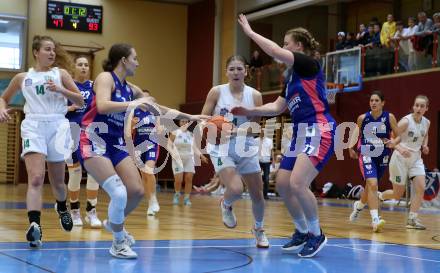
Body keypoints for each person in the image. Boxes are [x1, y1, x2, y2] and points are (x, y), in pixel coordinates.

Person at [80, 43, 204, 259]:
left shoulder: (131, 89)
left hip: (116, 141)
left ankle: (114, 223)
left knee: (136, 191)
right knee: (118, 193)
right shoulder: (105, 79)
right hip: (94, 138)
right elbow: (101, 105)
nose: (138, 62)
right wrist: (135, 104)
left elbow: (159, 108)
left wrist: (190, 117)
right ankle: (118, 242)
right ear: (123, 60)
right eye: (135, 58)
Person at [235, 14, 335, 258]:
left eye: (287, 42)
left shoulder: (308, 64)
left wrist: (249, 34)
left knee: (298, 183)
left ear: (298, 47)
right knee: (282, 183)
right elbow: (277, 108)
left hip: (318, 127)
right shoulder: (290, 79)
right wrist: (250, 111)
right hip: (301, 131)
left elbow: (275, 51)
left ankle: (316, 233)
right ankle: (301, 230)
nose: (283, 46)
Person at [0, 35, 84, 248]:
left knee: (57, 181)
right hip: (34, 126)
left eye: (53, 49)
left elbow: (81, 100)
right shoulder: (22, 77)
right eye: (47, 49)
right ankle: (35, 227)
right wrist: (1, 108)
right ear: (36, 52)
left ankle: (62, 207)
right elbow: (4, 97)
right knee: (36, 178)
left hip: (57, 125)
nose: (52, 53)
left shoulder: (61, 74)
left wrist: (61, 90)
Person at [201, 55, 269, 249]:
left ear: (246, 71)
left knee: (257, 194)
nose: (236, 72)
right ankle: (226, 203)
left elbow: (255, 128)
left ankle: (259, 229)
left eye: (239, 68)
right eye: (232, 69)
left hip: (245, 144)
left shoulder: (255, 95)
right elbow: (204, 118)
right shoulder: (216, 92)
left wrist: (235, 130)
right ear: (226, 72)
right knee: (237, 189)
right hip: (221, 146)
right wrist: (213, 128)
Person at [348, 91, 399, 232]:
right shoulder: (363, 118)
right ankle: (375, 220)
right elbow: (355, 133)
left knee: (370, 186)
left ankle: (358, 207)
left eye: (376, 100)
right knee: (373, 183)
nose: (373, 103)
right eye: (371, 100)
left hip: (383, 155)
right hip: (366, 153)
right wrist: (350, 148)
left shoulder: (390, 117)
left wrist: (393, 142)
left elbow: (399, 136)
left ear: (383, 103)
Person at [379, 95, 430, 229]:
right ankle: (380, 196)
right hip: (400, 158)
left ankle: (412, 219)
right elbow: (390, 138)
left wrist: (425, 145)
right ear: (413, 107)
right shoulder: (406, 122)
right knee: (397, 194)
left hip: (416, 158)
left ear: (426, 108)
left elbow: (425, 135)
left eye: (422, 106)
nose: (418, 108)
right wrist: (400, 149)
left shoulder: (427, 122)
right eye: (416, 105)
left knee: (420, 187)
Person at [66, 56, 102, 228]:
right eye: (79, 64)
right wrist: (69, 108)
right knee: (75, 174)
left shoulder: (94, 86)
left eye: (86, 65)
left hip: (90, 134)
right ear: (74, 67)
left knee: (94, 173)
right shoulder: (67, 86)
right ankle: (74, 210)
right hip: (71, 133)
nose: (83, 67)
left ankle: (91, 211)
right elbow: (55, 109)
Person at [131, 92, 161, 217]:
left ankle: (153, 198)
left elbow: (159, 129)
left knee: (149, 170)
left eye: (148, 97)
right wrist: (133, 124)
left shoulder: (155, 112)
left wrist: (157, 129)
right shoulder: (134, 111)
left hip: (152, 144)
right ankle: (150, 203)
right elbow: (129, 130)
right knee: (144, 175)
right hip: (138, 145)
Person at [169, 119, 209, 206]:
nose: (184, 123)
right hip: (177, 159)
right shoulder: (174, 133)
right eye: (182, 121)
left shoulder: (191, 135)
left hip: (189, 159)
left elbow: (194, 147)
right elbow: (169, 145)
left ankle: (187, 198)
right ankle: (177, 195)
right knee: (178, 180)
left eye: (185, 122)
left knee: (189, 178)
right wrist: (173, 154)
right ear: (179, 123)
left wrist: (201, 156)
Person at [255, 129, 274, 199]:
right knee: (257, 178)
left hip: (266, 161)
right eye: (260, 132)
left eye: (263, 132)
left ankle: (265, 194)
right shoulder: (255, 140)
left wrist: (273, 161)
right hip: (258, 161)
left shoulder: (269, 141)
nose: (261, 134)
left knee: (266, 179)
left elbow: (272, 151)